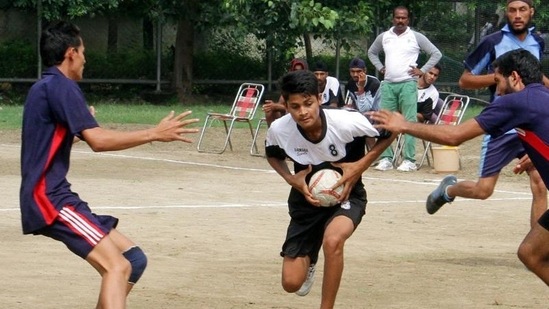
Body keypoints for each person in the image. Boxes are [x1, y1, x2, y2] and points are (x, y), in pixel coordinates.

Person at [20, 21, 199, 308]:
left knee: (133, 260)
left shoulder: (44, 87)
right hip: (49, 199)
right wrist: (154, 133)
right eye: (83, 51)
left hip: (56, 195)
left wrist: (72, 131)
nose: (85, 59)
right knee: (118, 267)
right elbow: (99, 141)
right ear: (71, 54)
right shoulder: (61, 87)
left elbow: (45, 143)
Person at [369, 48, 549, 286]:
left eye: (497, 81)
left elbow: (455, 136)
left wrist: (403, 125)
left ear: (514, 77)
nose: (497, 90)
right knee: (530, 253)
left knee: (532, 253)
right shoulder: (543, 96)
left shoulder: (516, 101)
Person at [265, 70, 396, 308]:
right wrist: (290, 178)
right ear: (286, 105)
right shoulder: (280, 129)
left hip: (347, 196)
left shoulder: (346, 121)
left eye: (308, 103)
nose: (303, 112)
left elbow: (392, 130)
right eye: (295, 106)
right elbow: (272, 155)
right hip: (305, 201)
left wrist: (360, 166)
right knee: (291, 283)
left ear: (319, 98)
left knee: (333, 240)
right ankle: (310, 256)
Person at [441, 0, 549, 229]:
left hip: (530, 125)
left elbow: (536, 78)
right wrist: (502, 77)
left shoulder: (537, 41)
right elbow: (465, 80)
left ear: (531, 12)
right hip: (503, 124)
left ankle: (539, 249)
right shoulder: (493, 41)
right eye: (512, 10)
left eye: (522, 10)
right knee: (483, 190)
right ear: (507, 13)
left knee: (539, 182)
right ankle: (448, 189)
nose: (517, 15)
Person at [368, 5, 442, 172]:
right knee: (384, 121)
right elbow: (372, 52)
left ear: (408, 19)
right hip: (387, 84)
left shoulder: (415, 36)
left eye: (404, 18)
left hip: (408, 83)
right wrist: (380, 67)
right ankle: (386, 158)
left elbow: (436, 53)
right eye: (397, 17)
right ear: (393, 19)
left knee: (408, 121)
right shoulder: (384, 36)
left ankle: (409, 159)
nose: (400, 20)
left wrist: (421, 71)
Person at [263, 58, 308, 126]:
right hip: (287, 115)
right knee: (270, 110)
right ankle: (273, 134)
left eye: (301, 70)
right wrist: (272, 106)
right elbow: (281, 103)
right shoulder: (289, 85)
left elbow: (300, 107)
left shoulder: (308, 85)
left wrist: (276, 106)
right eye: (295, 70)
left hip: (303, 114)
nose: (298, 73)